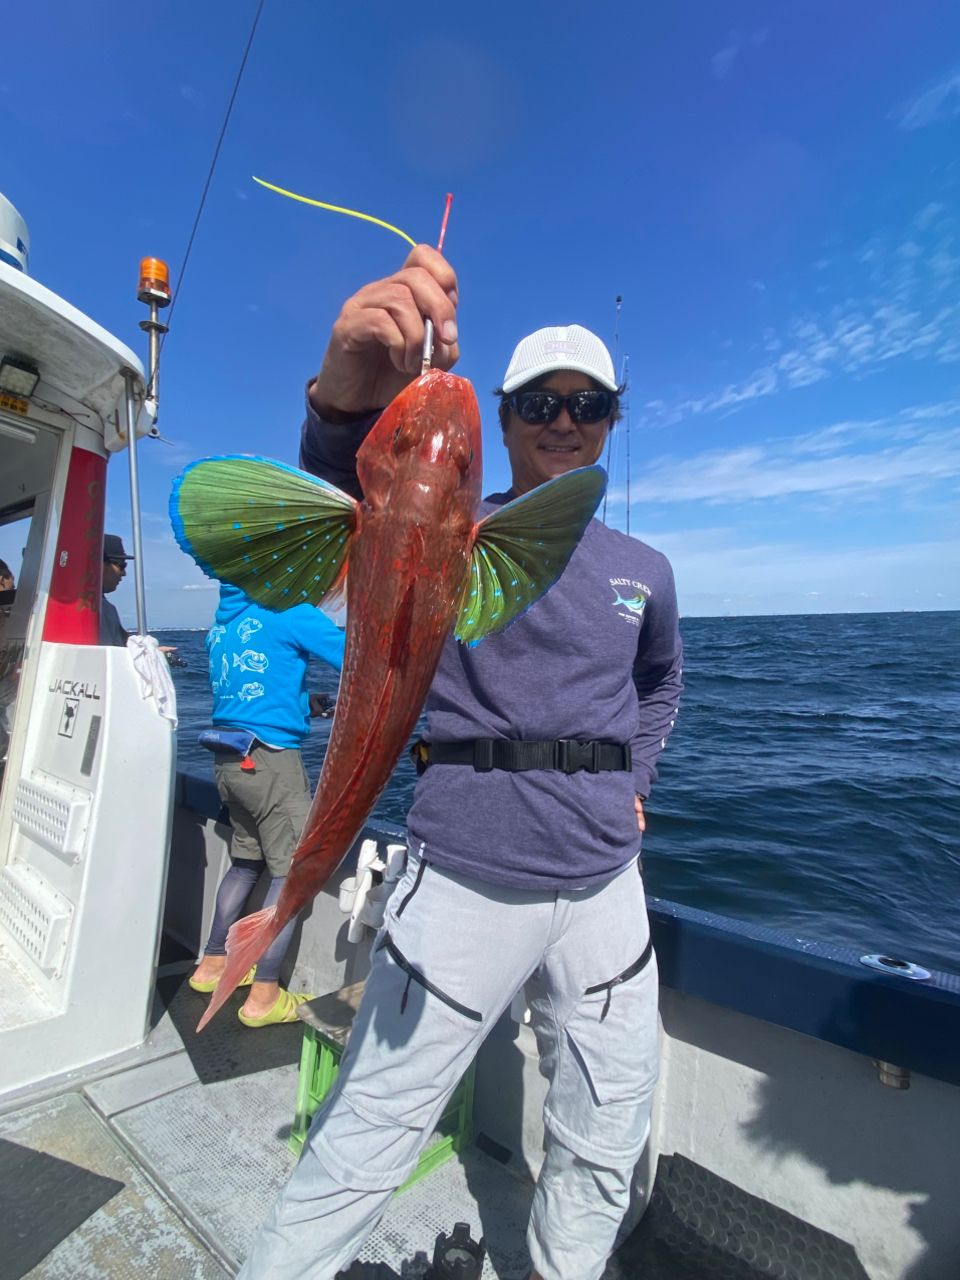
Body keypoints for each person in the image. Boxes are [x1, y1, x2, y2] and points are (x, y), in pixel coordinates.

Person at [239, 247, 683, 1279]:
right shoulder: (448, 526)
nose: (564, 419)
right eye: (538, 401)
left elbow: (660, 684)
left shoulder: (646, 569)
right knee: (366, 1136)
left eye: (589, 402)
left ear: (614, 416)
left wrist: (639, 778)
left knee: (604, 1130)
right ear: (504, 414)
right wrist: (343, 402)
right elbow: (353, 499)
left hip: (608, 884)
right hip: (464, 875)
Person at [190, 582, 346, 1026]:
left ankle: (212, 965)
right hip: (271, 763)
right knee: (290, 876)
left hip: (228, 760)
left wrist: (301, 702)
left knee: (244, 864)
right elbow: (359, 658)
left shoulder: (222, 622)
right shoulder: (288, 607)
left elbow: (251, 690)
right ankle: (264, 995)